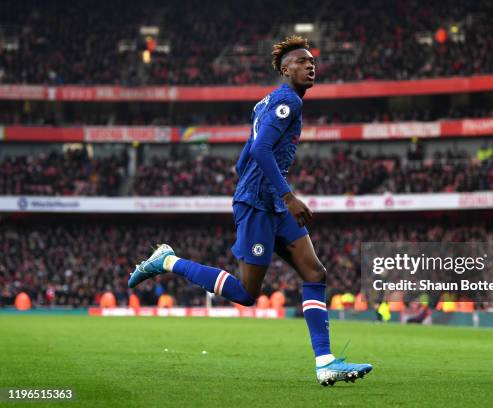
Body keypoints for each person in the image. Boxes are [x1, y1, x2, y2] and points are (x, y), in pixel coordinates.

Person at [128, 36, 372, 386]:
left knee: (315, 274)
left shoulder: (266, 102)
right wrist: (285, 196)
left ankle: (325, 362)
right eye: (302, 61)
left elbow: (245, 156)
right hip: (262, 202)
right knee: (246, 294)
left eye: (312, 61)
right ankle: (167, 261)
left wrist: (258, 186)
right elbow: (259, 149)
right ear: (286, 69)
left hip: (266, 198)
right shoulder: (288, 101)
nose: (310, 65)